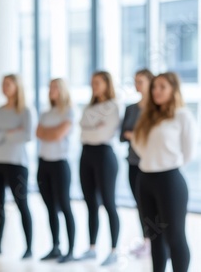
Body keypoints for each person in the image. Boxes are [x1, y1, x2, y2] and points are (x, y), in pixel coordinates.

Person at [132, 72, 197, 272]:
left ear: (173, 90)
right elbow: (138, 143)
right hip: (145, 179)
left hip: (169, 181)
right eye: (154, 87)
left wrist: (166, 162)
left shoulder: (182, 115)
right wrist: (152, 160)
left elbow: (189, 152)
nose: (156, 91)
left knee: (175, 236)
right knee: (154, 237)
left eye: (162, 87)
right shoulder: (148, 116)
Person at [0, 74, 33, 259]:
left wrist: (1, 134)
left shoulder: (25, 111)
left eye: (8, 84)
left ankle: (29, 247)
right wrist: (11, 132)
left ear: (16, 87)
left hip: (17, 164)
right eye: (2, 84)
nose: (4, 87)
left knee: (22, 205)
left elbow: (27, 135)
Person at [78, 71, 120, 266]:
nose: (94, 85)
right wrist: (93, 127)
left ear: (106, 84)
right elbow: (83, 130)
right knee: (90, 204)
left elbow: (103, 132)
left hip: (104, 156)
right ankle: (92, 248)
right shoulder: (89, 106)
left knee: (109, 204)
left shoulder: (112, 106)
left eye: (98, 82)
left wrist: (91, 127)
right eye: (92, 82)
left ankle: (113, 250)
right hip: (86, 155)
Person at [36, 78, 76, 263]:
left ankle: (71, 250)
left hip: (60, 164)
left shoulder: (69, 112)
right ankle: (55, 246)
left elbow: (58, 135)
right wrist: (51, 132)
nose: (51, 90)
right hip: (44, 164)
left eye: (55, 87)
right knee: (50, 208)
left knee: (65, 206)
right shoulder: (45, 113)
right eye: (49, 87)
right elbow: (38, 133)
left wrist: (49, 132)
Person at [119, 69, 154, 257]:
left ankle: (156, 242)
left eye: (140, 81)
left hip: (150, 164)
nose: (136, 85)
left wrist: (134, 135)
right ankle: (146, 241)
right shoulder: (131, 108)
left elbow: (151, 137)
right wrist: (135, 135)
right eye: (135, 81)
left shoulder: (155, 109)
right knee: (140, 204)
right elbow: (123, 135)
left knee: (152, 205)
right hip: (133, 163)